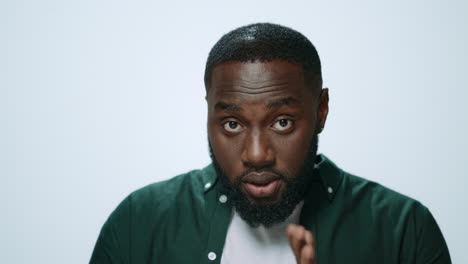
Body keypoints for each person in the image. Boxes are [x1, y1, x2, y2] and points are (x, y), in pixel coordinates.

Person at [90, 23, 451, 264]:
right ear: (208, 113)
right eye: (232, 123)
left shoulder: (404, 231)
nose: (257, 154)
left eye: (282, 122)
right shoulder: (139, 224)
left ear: (321, 110)